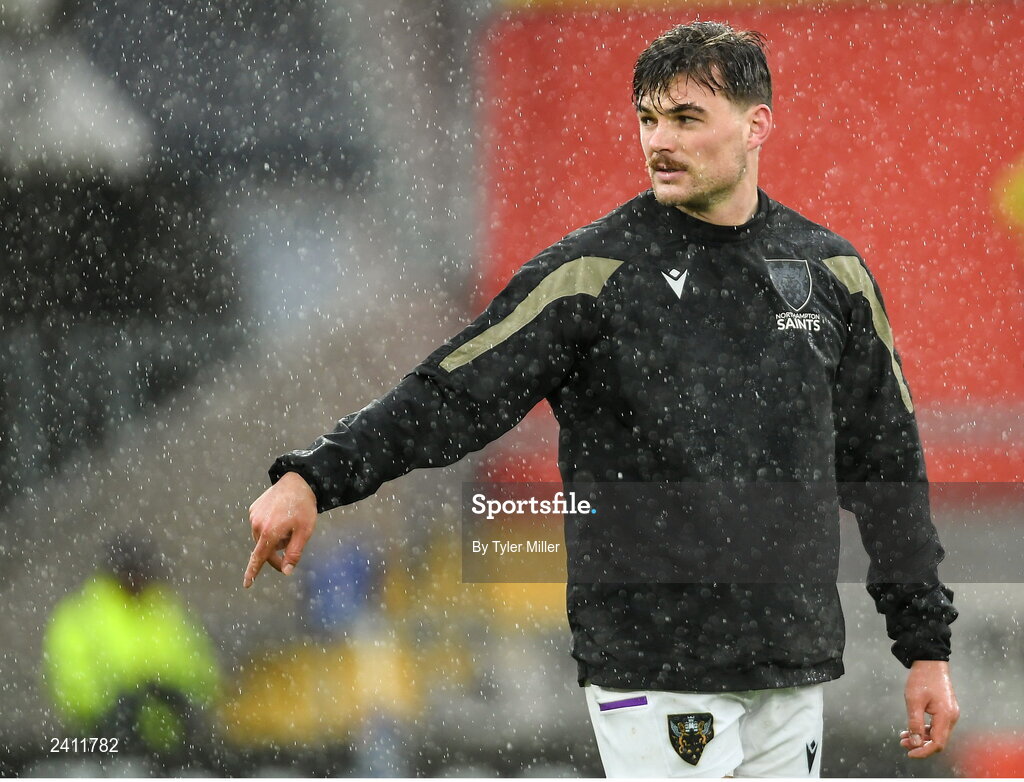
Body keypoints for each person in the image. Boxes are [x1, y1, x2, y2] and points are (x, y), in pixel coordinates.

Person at [244, 21, 959, 777]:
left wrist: (926, 649)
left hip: (790, 660)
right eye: (648, 119)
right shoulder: (593, 273)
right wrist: (314, 477)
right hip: (654, 660)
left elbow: (889, 470)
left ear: (757, 126)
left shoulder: (832, 275)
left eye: (686, 118)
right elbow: (453, 392)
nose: (660, 141)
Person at [45, 532, 221, 764]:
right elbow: (69, 683)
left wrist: (175, 695)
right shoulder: (80, 616)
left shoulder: (168, 611)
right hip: (101, 748)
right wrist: (114, 706)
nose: (138, 578)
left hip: (170, 748)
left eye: (142, 570)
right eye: (131, 571)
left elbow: (203, 674)